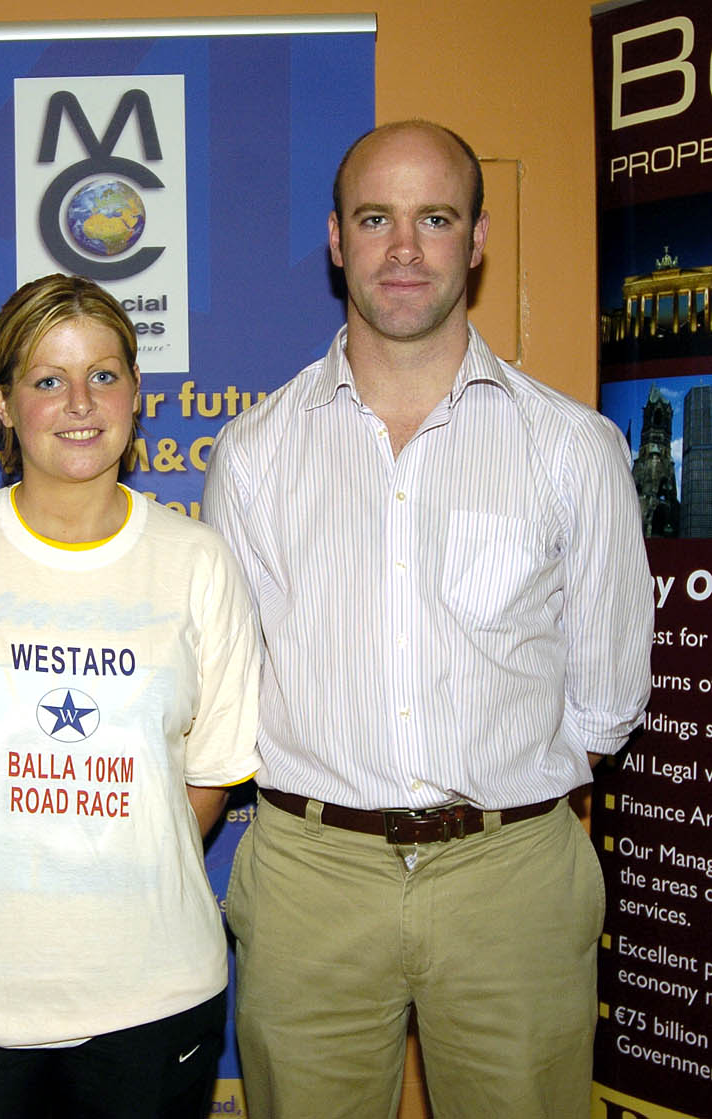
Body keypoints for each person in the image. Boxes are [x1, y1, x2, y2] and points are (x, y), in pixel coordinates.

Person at [201, 121, 653, 1119]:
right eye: (376, 218)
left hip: (514, 875)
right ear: (335, 239)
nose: (403, 248)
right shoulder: (255, 454)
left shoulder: (571, 449)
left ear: (477, 239)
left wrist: (503, 794)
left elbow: (609, 693)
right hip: (310, 877)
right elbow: (231, 682)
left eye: (433, 218)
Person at [0, 273, 261, 1119]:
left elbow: (204, 783)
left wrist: (110, 861)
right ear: (2, 404)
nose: (80, 402)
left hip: (149, 999)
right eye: (47, 379)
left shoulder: (199, 564)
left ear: (136, 393)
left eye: (105, 374)